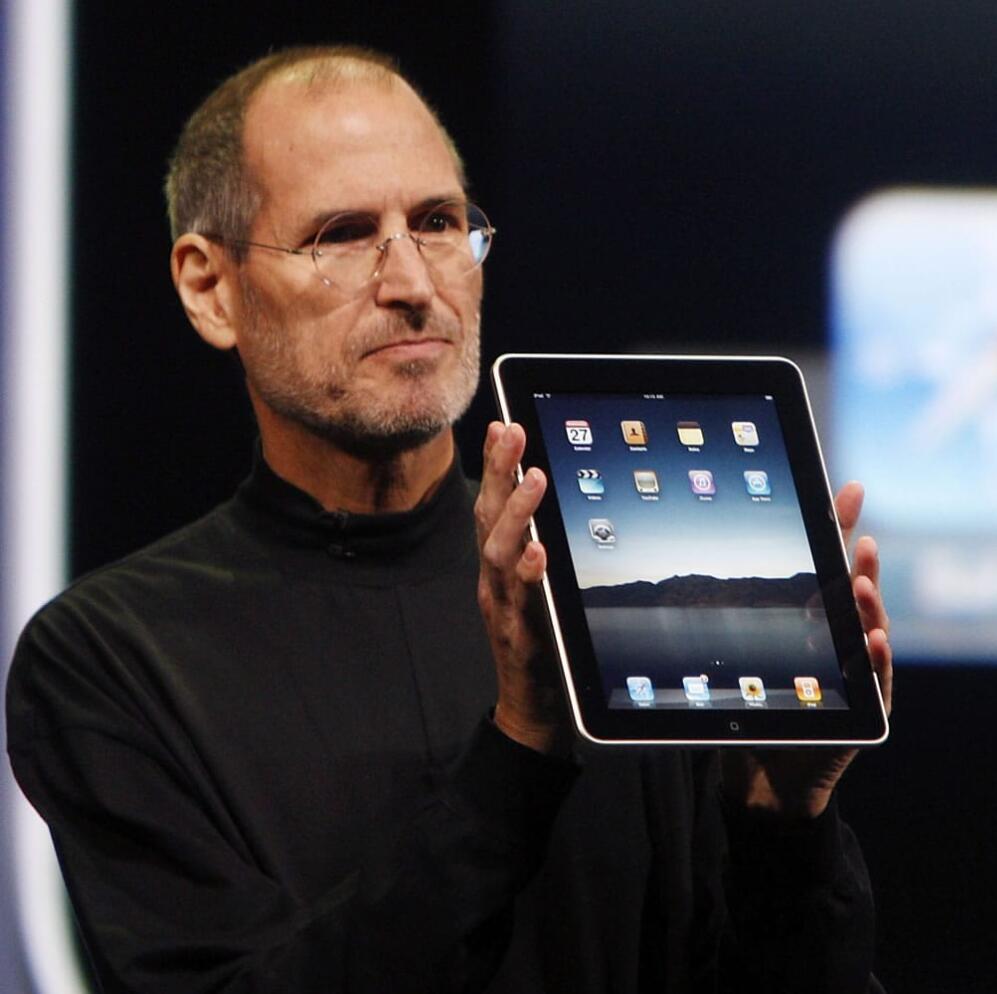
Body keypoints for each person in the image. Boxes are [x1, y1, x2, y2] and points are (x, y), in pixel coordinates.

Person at [6, 45, 893, 993]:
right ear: (208, 287)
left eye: (437, 223)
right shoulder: (111, 659)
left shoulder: (606, 584)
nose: (414, 283)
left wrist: (783, 826)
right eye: (343, 235)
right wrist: (521, 746)